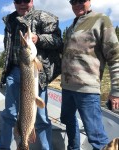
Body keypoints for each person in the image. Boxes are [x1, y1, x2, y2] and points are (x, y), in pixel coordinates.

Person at [0, 0, 62, 150]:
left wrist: (38, 39)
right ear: (14, 3)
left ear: (32, 1)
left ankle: (46, 148)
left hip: (34, 72)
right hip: (14, 71)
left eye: (26, 0)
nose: (22, 4)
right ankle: (3, 147)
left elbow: (58, 41)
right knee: (9, 114)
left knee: (41, 116)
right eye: (18, 1)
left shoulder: (43, 16)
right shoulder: (10, 20)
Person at [61, 0, 119, 150]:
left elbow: (115, 57)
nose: (77, 4)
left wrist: (116, 91)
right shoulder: (72, 26)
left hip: (87, 89)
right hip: (67, 88)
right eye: (74, 1)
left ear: (89, 1)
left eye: (82, 1)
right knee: (68, 121)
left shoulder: (100, 19)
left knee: (96, 136)